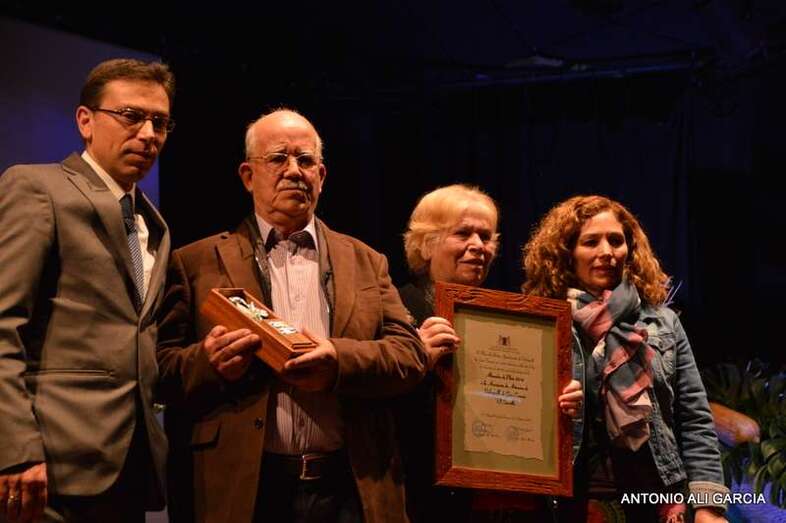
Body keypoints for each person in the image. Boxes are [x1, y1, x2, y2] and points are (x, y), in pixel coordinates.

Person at [156, 108, 427, 523]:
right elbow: (160, 369)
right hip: (246, 491)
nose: (293, 170)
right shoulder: (195, 262)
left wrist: (338, 360)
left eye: (306, 160)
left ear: (322, 175)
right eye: (278, 158)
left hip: (349, 488)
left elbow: (409, 354)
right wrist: (208, 362)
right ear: (248, 176)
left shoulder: (366, 261)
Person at [0, 58, 175, 522]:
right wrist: (16, 448)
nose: (148, 134)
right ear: (85, 121)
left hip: (130, 467)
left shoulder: (153, 224)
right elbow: (2, 327)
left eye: (159, 122)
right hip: (50, 464)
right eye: (131, 116)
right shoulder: (38, 188)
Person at [522, 195, 728, 523]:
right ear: (566, 254)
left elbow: (694, 418)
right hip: (572, 501)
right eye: (591, 242)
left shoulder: (662, 322)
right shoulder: (542, 321)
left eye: (616, 241)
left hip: (655, 497)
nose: (607, 252)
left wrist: (708, 505)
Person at [398, 185, 575, 522]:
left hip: (506, 502)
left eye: (486, 236)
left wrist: (559, 399)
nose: (478, 246)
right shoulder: (395, 309)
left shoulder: (512, 319)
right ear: (426, 242)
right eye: (463, 233)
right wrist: (415, 358)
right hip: (425, 500)